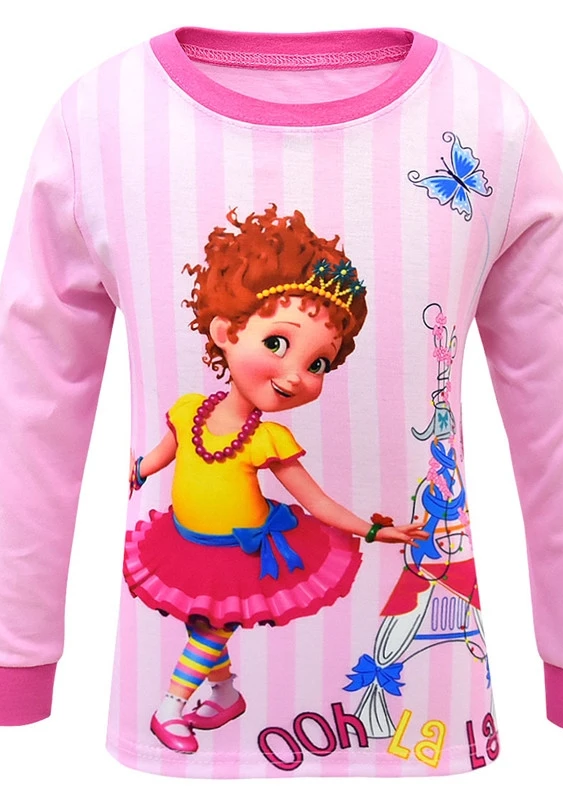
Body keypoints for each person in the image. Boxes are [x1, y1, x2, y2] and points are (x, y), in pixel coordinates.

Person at [123, 203, 429, 754]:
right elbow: (162, 454)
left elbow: (317, 502)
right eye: (276, 344)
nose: (295, 376)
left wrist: (374, 530)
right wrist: (136, 471)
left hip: (243, 556)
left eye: (318, 364)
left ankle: (171, 707)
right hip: (188, 544)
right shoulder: (188, 410)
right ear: (225, 331)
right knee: (203, 625)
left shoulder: (270, 439)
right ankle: (224, 694)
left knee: (211, 627)